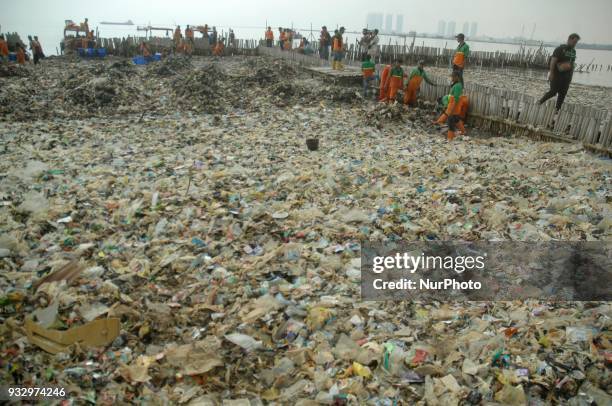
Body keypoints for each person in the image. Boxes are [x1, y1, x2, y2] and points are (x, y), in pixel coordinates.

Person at [538, 33, 580, 112]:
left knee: (562, 94)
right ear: (569, 39)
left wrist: (571, 77)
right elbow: (553, 61)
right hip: (557, 75)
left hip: (567, 77)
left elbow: (572, 64)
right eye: (574, 42)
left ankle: (557, 110)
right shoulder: (560, 49)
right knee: (553, 92)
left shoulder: (573, 51)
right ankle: (539, 102)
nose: (575, 44)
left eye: (576, 43)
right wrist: (551, 73)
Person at [444, 71, 466, 141]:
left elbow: (455, 98)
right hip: (455, 107)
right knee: (456, 119)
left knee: (451, 122)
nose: (452, 78)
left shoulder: (457, 86)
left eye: (453, 77)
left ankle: (450, 138)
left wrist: (450, 108)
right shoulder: (457, 85)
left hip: (453, 107)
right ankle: (463, 132)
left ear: (457, 77)